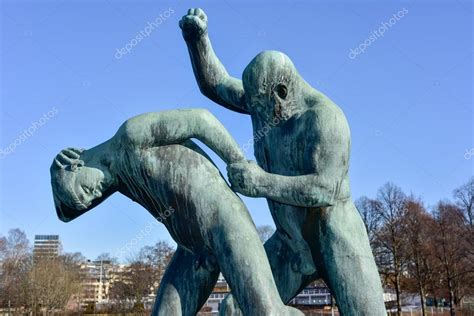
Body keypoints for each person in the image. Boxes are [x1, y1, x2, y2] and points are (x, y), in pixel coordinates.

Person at [180, 8, 387, 315]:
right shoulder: (262, 99)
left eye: (259, 104)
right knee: (236, 310)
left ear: (280, 93)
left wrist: (260, 182)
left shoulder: (325, 119)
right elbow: (216, 84)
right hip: (290, 245)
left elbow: (325, 189)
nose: (252, 109)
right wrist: (197, 40)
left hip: (336, 239)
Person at [50, 109, 302, 316]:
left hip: (226, 226)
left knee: (266, 313)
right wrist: (55, 172)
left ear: (77, 164)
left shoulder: (130, 136)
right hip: (191, 250)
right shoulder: (112, 179)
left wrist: (236, 161)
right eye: (89, 197)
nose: (94, 193)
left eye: (86, 188)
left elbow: (201, 120)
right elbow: (66, 214)